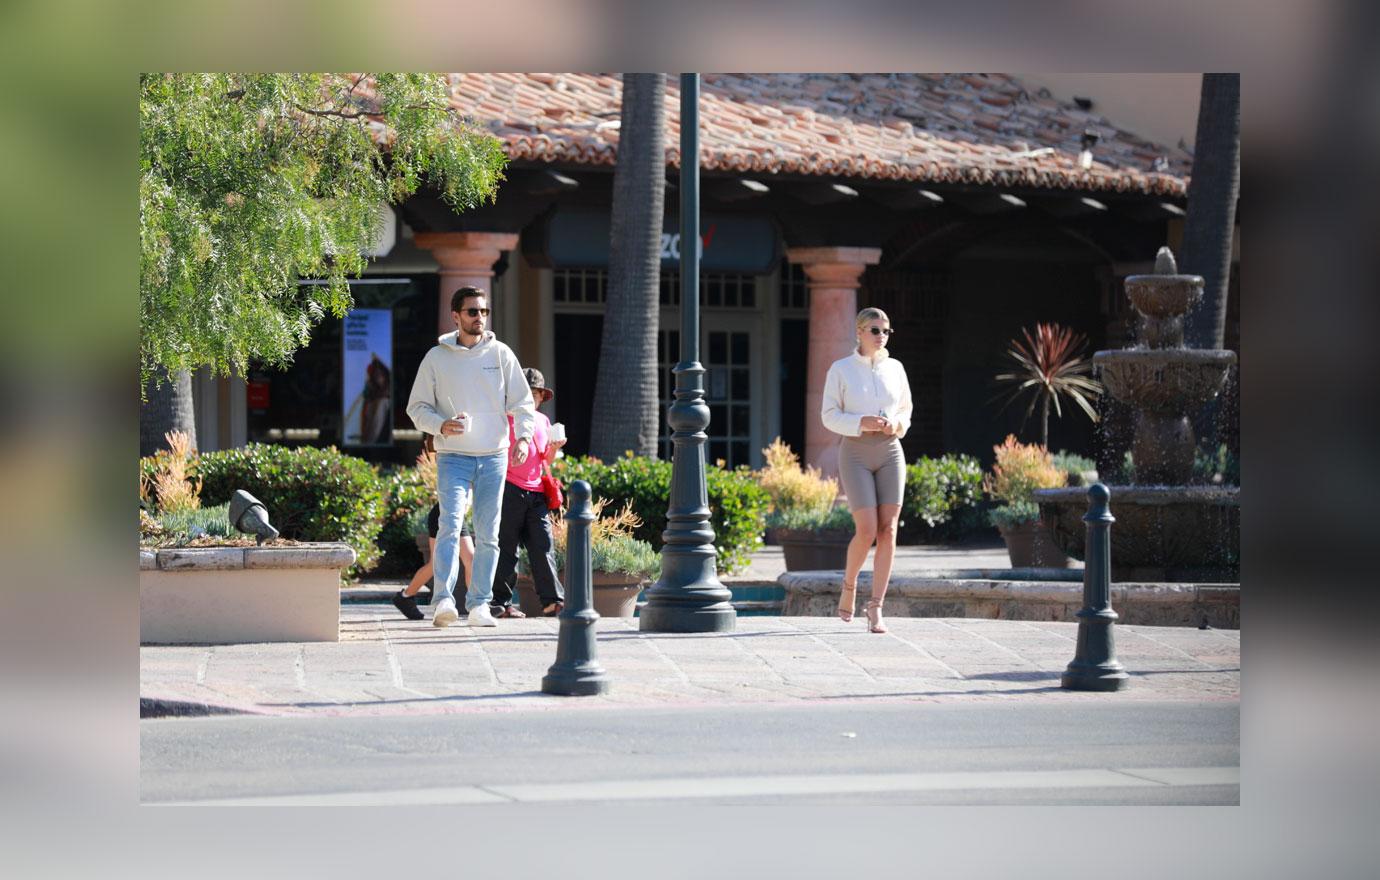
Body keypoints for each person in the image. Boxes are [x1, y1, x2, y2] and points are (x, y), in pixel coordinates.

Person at [406, 286, 536, 628]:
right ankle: (443, 601)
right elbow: (416, 407)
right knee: (449, 525)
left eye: (484, 312)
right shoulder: (437, 357)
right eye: (472, 312)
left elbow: (523, 403)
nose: (479, 318)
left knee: (490, 533)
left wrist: (523, 438)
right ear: (456, 316)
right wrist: (440, 425)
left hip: (494, 455)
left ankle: (480, 604)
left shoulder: (502, 354)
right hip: (453, 457)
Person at [820, 307, 913, 634]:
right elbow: (828, 416)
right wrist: (861, 422)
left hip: (890, 449)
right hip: (855, 452)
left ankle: (875, 607)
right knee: (867, 528)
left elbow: (906, 410)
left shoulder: (896, 368)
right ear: (859, 331)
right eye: (875, 330)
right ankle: (849, 584)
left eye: (886, 331)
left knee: (889, 529)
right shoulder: (841, 369)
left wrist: (896, 424)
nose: (882, 336)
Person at [492, 368, 567, 617]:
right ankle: (501, 603)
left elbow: (545, 457)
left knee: (543, 545)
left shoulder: (544, 421)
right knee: (506, 548)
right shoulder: (504, 418)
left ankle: (552, 601)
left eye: (536, 394)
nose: (532, 398)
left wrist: (554, 448)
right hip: (509, 489)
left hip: (536, 493)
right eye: (527, 393)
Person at [391, 435, 476, 621]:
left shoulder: (478, 459)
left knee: (467, 559)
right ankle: (406, 597)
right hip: (443, 514)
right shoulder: (455, 459)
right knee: (443, 562)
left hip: (458, 517)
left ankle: (475, 605)